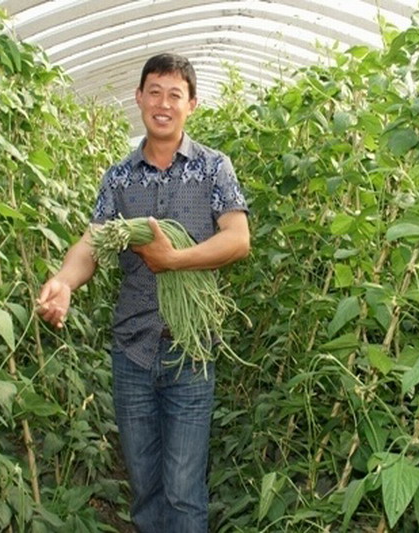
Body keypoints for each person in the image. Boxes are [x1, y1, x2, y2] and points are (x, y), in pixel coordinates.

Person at [36, 53, 250, 532]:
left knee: (184, 490)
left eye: (175, 95)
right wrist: (63, 282)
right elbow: (93, 242)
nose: (163, 104)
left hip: (191, 349)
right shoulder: (119, 178)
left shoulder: (214, 168)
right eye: (154, 92)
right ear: (138, 98)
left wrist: (173, 259)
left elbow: (237, 239)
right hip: (132, 350)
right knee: (145, 487)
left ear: (192, 104)